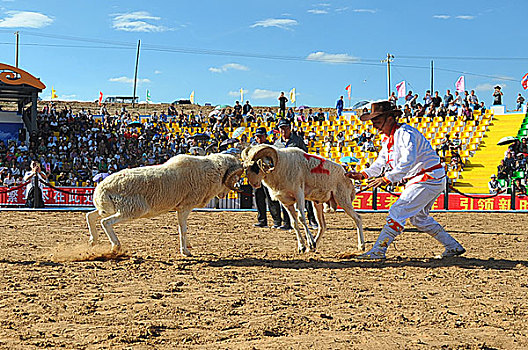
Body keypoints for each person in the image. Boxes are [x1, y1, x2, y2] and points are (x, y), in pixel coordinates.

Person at [345, 101, 465, 259]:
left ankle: (378, 251)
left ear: (390, 119)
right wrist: (364, 174)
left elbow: (408, 161)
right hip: (426, 178)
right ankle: (453, 246)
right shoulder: (388, 139)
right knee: (419, 219)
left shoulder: (405, 134)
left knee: (398, 210)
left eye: (378, 122)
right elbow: (381, 162)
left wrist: (387, 178)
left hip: (427, 178)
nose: (375, 127)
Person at [274, 118, 318, 230]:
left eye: (286, 128)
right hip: (284, 175)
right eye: (281, 128)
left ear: (290, 128)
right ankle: (287, 222)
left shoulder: (298, 140)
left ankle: (312, 220)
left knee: (306, 196)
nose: (284, 130)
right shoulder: (277, 143)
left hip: (299, 173)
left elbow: (305, 155)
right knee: (285, 198)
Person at [252, 127, 282, 228]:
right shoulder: (254, 147)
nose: (259, 138)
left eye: (261, 136)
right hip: (257, 176)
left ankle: (277, 221)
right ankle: (262, 220)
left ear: (265, 136)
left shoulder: (271, 147)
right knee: (259, 198)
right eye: (257, 136)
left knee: (271, 199)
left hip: (268, 177)